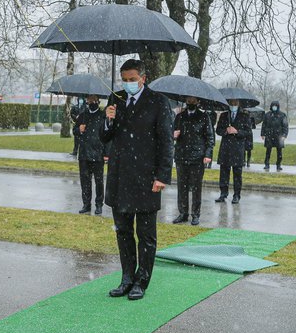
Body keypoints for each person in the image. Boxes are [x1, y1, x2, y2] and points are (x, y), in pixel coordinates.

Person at [101, 59, 174, 300]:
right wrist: (108, 118)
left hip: (146, 178)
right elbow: (105, 136)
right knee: (122, 231)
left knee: (145, 234)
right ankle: (126, 278)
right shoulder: (116, 99)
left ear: (143, 77)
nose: (128, 84)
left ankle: (142, 280)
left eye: (132, 79)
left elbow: (166, 141)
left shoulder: (159, 102)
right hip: (120, 177)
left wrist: (162, 175)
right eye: (125, 80)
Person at [172, 96, 214, 226]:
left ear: (198, 102)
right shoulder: (180, 117)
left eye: (193, 101)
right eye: (188, 100)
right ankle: (183, 213)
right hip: (181, 156)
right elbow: (171, 133)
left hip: (197, 157)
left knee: (196, 187)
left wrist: (207, 154)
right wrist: (173, 134)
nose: (190, 103)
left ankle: (196, 214)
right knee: (181, 186)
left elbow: (210, 137)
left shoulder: (204, 117)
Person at [74, 94, 108, 215]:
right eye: (89, 100)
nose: (91, 102)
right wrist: (79, 129)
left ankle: (99, 205)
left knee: (99, 182)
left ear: (98, 101)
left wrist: (106, 153)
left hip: (98, 154)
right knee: (85, 181)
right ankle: (86, 204)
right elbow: (75, 131)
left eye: (94, 100)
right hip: (84, 154)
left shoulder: (103, 115)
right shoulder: (82, 115)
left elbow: (107, 135)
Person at [215, 99, 252, 204]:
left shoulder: (245, 116)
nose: (233, 105)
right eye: (231, 103)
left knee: (237, 174)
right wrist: (225, 131)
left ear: (239, 103)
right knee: (224, 173)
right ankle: (223, 193)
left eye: (235, 103)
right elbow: (218, 130)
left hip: (237, 149)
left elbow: (248, 132)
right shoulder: (224, 115)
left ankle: (236, 195)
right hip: (225, 148)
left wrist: (237, 132)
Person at [261, 100, 289, 171]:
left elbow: (285, 126)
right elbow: (264, 125)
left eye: (276, 106)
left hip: (279, 136)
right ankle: (267, 164)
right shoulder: (267, 115)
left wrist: (284, 135)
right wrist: (263, 134)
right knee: (268, 151)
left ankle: (278, 165)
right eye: (273, 106)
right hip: (269, 135)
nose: (274, 107)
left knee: (279, 151)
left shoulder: (282, 115)